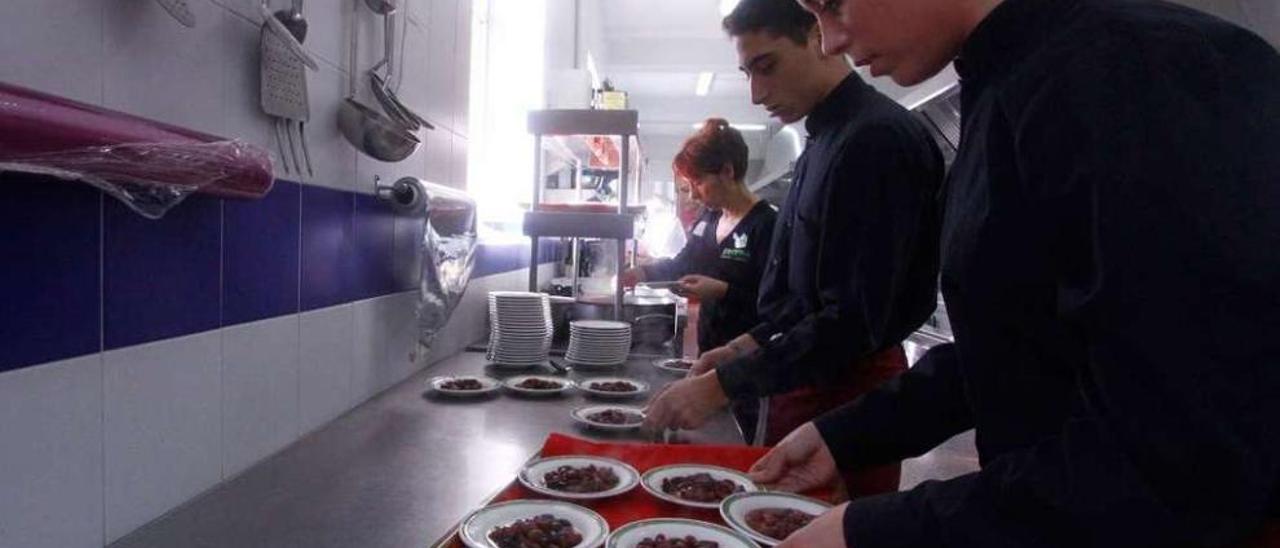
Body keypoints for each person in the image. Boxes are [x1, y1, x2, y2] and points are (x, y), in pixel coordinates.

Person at [749, 0, 1280, 546]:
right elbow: (1023, 336)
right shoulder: (1012, 80)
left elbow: (1183, 455)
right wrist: (849, 435)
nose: (832, 40)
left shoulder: (1139, 69)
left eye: (834, 4)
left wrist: (880, 530)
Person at [643, 0, 945, 498]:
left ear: (817, 35)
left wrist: (725, 384)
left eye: (767, 66)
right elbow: (803, 301)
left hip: (850, 395)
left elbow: (852, 320)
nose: (757, 93)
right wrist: (745, 345)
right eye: (747, 73)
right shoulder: (822, 142)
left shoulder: (875, 139)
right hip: (804, 381)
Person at [622, 118, 778, 439]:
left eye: (698, 182)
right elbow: (684, 262)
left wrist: (723, 291)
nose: (693, 193)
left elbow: (778, 306)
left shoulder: (767, 226)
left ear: (727, 171)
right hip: (708, 356)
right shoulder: (709, 218)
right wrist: (643, 272)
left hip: (749, 364)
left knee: (739, 438)